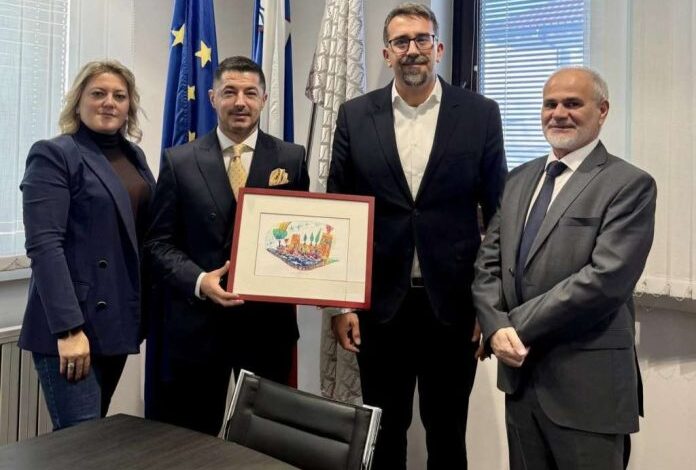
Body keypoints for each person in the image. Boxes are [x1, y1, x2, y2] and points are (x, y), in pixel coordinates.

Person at [327, 3, 507, 468]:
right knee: (383, 436)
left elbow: (499, 215)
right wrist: (342, 304)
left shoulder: (480, 114)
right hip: (380, 310)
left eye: (422, 39)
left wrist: (491, 306)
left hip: (454, 308)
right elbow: (339, 213)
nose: (413, 50)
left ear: (439, 48)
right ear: (386, 53)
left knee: (447, 434)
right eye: (401, 41)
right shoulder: (354, 115)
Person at [472, 66, 656, 469]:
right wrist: (493, 323)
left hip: (589, 388)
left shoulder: (629, 184)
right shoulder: (518, 179)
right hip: (521, 384)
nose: (558, 113)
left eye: (572, 104)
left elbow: (605, 281)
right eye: (550, 104)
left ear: (602, 110)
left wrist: (510, 326)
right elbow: (489, 262)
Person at [145, 56, 310, 436]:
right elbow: (158, 243)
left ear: (264, 99)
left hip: (267, 330)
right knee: (192, 443)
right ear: (212, 97)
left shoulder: (291, 158)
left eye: (250, 93)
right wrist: (199, 280)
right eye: (229, 92)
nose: (240, 102)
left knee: (270, 442)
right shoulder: (179, 161)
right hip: (199, 330)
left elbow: (302, 233)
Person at [19, 60, 155, 430]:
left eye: (119, 96)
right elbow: (44, 246)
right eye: (98, 93)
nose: (109, 102)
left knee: (93, 440)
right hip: (73, 326)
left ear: (129, 107)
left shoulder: (134, 156)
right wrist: (68, 330)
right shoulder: (54, 154)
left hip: (116, 321)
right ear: (78, 102)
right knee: (79, 441)